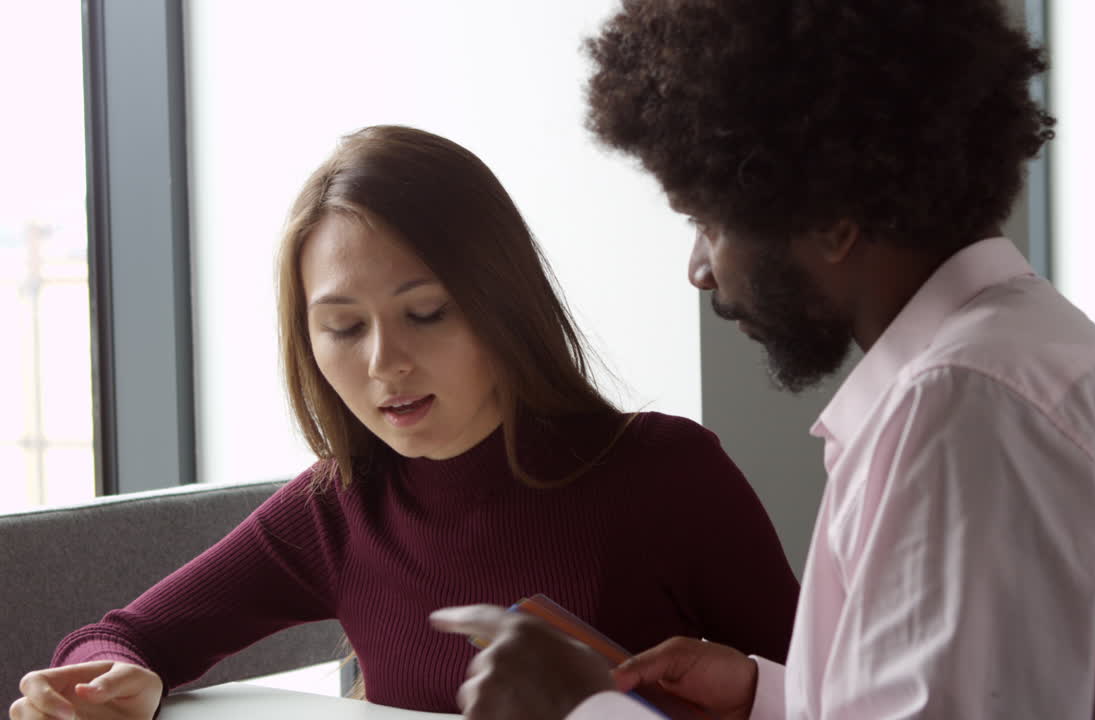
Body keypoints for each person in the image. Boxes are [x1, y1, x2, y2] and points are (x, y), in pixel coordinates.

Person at [430, 1, 1095, 718]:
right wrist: (773, 696)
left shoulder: (967, 412)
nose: (697, 268)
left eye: (709, 220)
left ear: (831, 216)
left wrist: (588, 706)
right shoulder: (1020, 351)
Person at [8, 125, 800, 719]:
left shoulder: (667, 474)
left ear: (501, 305)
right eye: (345, 328)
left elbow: (843, 696)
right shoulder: (338, 506)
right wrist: (123, 679)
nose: (386, 363)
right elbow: (119, 637)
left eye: (426, 313)